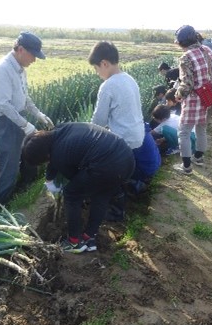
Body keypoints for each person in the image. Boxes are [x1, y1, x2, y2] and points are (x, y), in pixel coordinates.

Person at [21, 122, 135, 253]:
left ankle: (74, 242)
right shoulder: (61, 130)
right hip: (126, 158)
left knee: (71, 194)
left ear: (45, 156)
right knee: (101, 194)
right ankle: (89, 236)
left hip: (107, 166)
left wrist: (58, 187)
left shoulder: (59, 154)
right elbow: (53, 159)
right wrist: (49, 179)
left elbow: (74, 177)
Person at [0, 31, 54, 206]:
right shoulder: (3, 69)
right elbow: (3, 104)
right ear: (21, 49)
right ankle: (0, 208)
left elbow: (25, 98)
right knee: (9, 169)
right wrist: (25, 125)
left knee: (29, 159)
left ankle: (23, 194)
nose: (33, 60)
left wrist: (38, 113)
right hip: (5, 123)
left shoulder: (20, 69)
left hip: (18, 120)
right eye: (33, 55)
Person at [88, 41, 145, 221]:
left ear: (104, 63)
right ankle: (132, 185)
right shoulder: (129, 78)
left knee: (104, 172)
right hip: (137, 136)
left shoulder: (108, 85)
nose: (98, 74)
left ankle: (116, 210)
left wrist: (86, 135)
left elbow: (99, 120)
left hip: (124, 139)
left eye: (97, 69)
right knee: (120, 169)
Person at [173, 25, 212, 175]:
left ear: (182, 42)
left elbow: (187, 84)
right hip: (210, 97)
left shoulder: (186, 57)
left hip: (196, 99)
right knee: (202, 128)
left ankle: (186, 167)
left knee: (184, 132)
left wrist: (178, 94)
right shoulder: (208, 50)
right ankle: (198, 157)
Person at [125, 122, 161, 196]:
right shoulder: (143, 130)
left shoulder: (132, 136)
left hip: (145, 171)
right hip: (154, 165)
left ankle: (136, 185)